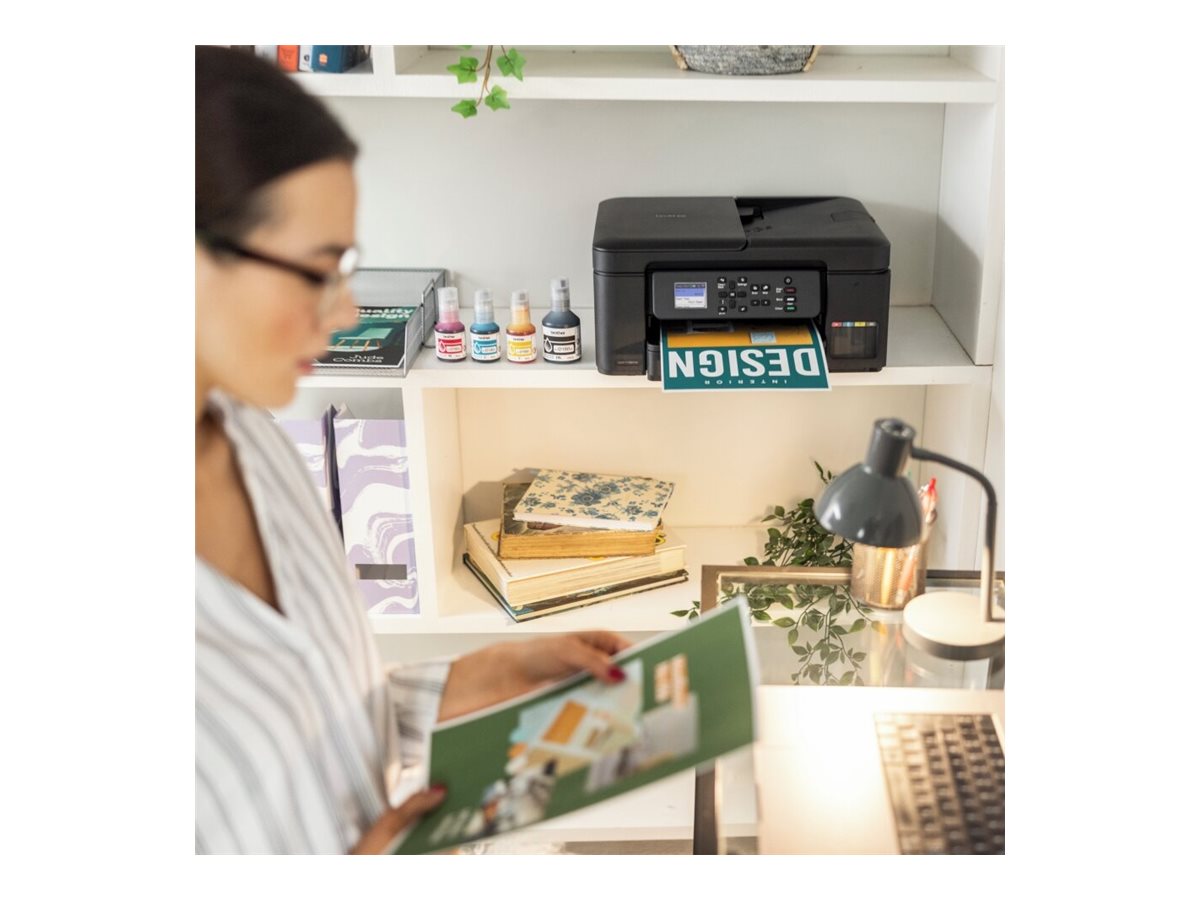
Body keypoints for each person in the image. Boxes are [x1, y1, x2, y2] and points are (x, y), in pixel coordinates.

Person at [194, 45, 631, 854]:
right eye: (317, 272)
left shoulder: (253, 440)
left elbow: (312, 718)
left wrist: (488, 676)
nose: (345, 313)